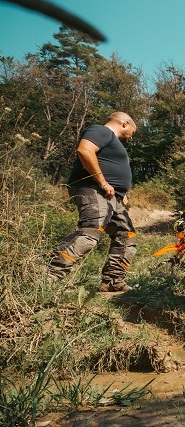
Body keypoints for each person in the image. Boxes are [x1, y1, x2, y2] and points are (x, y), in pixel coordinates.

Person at [47, 112, 138, 292]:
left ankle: (113, 281)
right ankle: (46, 276)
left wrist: (120, 191)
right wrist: (102, 182)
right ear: (125, 123)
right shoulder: (101, 131)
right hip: (94, 188)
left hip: (112, 195)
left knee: (126, 237)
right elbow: (84, 150)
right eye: (132, 132)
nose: (132, 137)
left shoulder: (112, 141)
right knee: (89, 233)